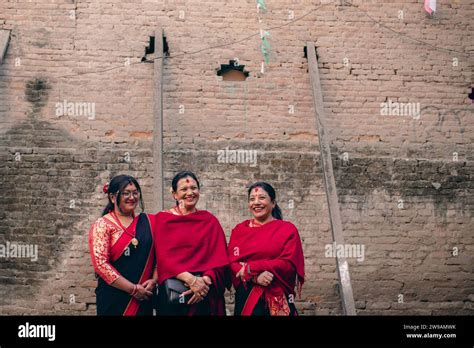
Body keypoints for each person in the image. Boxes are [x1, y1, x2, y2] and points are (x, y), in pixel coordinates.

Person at [154, 171, 229, 315]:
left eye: (194, 188)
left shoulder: (209, 221)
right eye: (184, 189)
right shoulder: (162, 220)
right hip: (174, 293)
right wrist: (191, 280)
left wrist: (205, 281)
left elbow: (220, 260)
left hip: (205, 294)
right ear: (174, 194)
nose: (190, 192)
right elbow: (162, 258)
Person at [228, 182, 305, 316]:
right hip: (246, 297)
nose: (256, 202)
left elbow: (288, 264)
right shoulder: (239, 230)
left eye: (262, 198)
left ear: (273, 203)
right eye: (252, 199)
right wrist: (255, 277)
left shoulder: (287, 230)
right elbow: (231, 263)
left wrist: (249, 268)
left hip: (277, 294)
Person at [88, 175, 157, 315]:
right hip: (114, 298)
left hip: (144, 296)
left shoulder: (149, 222)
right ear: (113, 197)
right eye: (126, 193)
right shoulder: (103, 225)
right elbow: (101, 265)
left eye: (135, 192)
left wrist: (154, 280)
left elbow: (160, 255)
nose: (132, 197)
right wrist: (133, 289)